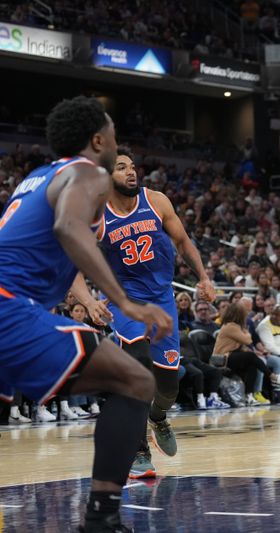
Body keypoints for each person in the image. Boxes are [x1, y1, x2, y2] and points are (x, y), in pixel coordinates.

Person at [0, 96, 171, 532]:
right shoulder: (87, 172)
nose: (117, 141)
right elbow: (68, 229)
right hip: (7, 307)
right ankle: (102, 518)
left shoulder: (37, 178)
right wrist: (126, 302)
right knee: (135, 380)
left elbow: (56, 245)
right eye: (113, 132)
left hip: (17, 305)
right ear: (99, 140)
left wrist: (82, 295)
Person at [71, 146, 216, 480]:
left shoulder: (156, 200)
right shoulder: (96, 216)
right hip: (126, 301)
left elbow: (182, 242)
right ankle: (138, 450)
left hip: (162, 298)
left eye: (133, 166)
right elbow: (72, 266)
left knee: (168, 385)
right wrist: (90, 301)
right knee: (135, 364)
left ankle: (158, 416)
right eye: (121, 168)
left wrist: (204, 278)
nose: (131, 172)